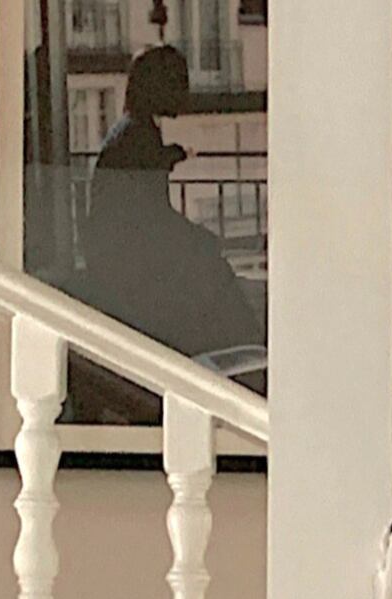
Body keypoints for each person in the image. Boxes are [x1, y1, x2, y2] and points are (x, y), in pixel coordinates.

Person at [80, 43, 263, 365]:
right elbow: (149, 214)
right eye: (179, 82)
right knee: (209, 266)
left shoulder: (133, 131)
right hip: (128, 255)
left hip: (117, 250)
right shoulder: (139, 134)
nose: (185, 92)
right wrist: (196, 239)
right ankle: (242, 349)